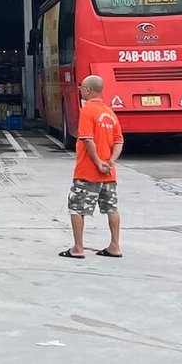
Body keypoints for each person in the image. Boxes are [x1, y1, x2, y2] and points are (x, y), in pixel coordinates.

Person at [61, 74, 123, 259]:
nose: (80, 90)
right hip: (109, 175)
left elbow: (88, 140)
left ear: (88, 90)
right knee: (111, 208)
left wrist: (98, 163)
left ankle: (78, 248)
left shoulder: (87, 111)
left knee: (77, 209)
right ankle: (115, 246)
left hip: (88, 172)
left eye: (82, 87)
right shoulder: (110, 113)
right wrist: (110, 161)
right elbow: (119, 141)